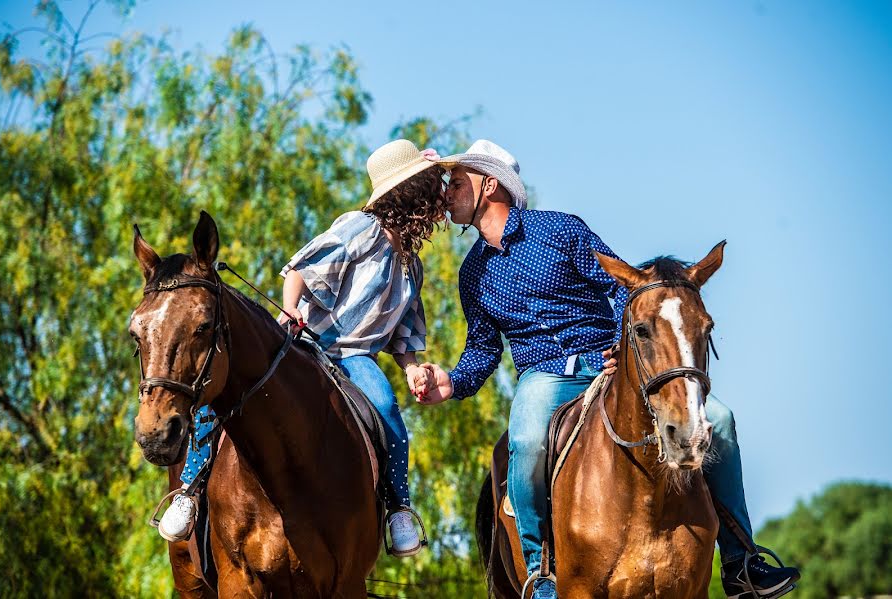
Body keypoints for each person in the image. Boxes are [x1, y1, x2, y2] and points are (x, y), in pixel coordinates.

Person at [417, 140, 800, 599]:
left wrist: (628, 346)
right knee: (526, 440)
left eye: (457, 182)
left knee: (719, 420)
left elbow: (627, 289)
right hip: (545, 375)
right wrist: (452, 382)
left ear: (489, 184)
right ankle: (540, 575)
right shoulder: (472, 273)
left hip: (609, 363)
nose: (448, 192)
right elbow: (482, 348)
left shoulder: (561, 231)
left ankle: (741, 565)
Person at [157, 139, 445, 558]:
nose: (439, 193)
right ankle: (191, 488)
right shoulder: (361, 229)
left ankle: (397, 506)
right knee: (223, 394)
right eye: (431, 184)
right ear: (409, 192)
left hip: (355, 358)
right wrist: (290, 309)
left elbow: (403, 333)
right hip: (307, 340)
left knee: (388, 413)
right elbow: (303, 267)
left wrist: (411, 367)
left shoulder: (411, 265)